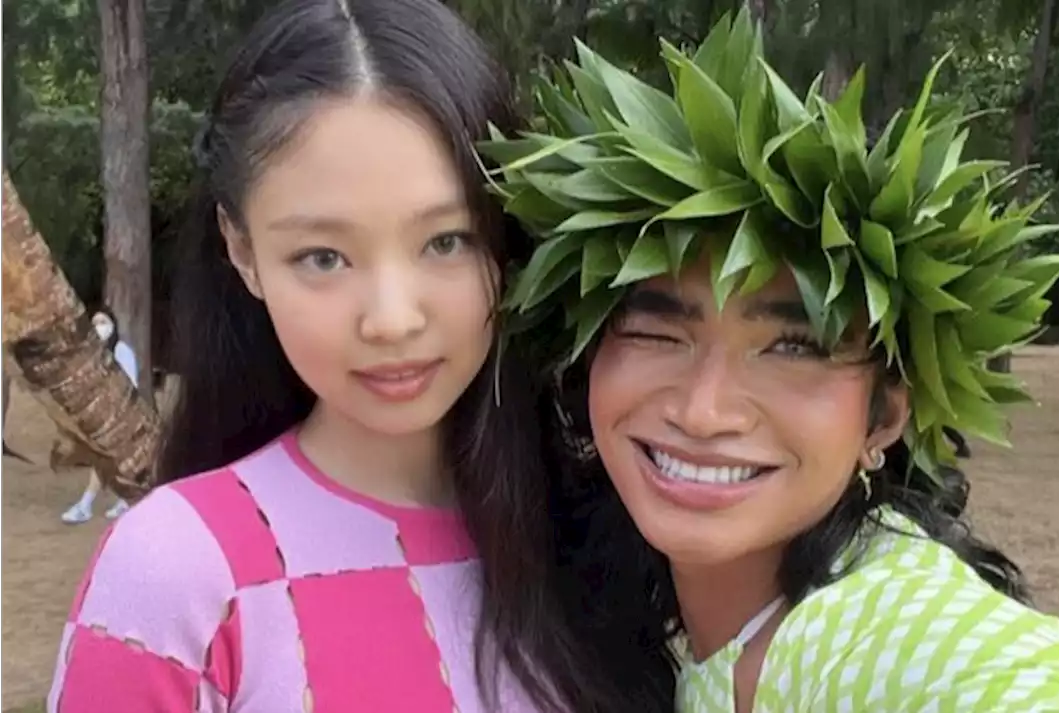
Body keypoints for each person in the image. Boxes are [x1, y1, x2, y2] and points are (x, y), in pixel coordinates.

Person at [485, 10, 1059, 712]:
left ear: (884, 415)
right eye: (655, 333)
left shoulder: (894, 632)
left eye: (793, 348)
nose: (704, 410)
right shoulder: (654, 627)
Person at [47, 1, 660, 711]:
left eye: (446, 240)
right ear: (242, 250)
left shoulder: (606, 536)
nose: (392, 319)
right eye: (324, 256)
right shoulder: (178, 576)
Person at [59, 309, 134, 523]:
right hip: (100, 417)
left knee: (103, 460)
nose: (99, 326)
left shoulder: (122, 351)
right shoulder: (93, 355)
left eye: (103, 321)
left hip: (119, 416)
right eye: (95, 322)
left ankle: (85, 505)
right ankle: (124, 499)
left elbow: (129, 385)